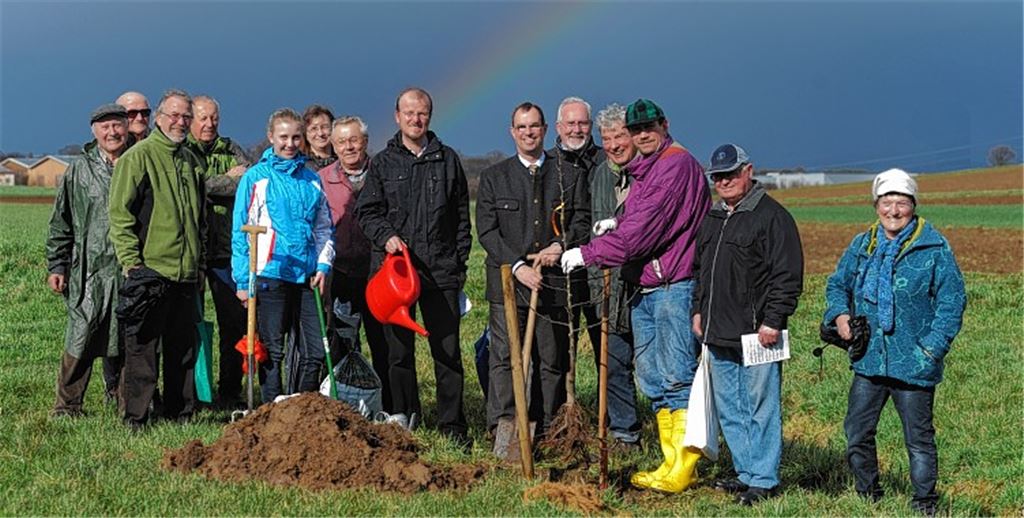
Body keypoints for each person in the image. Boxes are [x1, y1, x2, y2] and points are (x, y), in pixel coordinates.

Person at [561, 98, 711, 493]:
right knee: (653, 379)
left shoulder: (675, 166)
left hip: (672, 286)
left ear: (664, 125)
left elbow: (643, 233)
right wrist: (618, 220)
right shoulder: (648, 167)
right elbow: (637, 217)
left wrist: (588, 253)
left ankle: (685, 466)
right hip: (647, 286)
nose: (642, 135)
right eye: (636, 129)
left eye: (648, 128)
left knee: (676, 376)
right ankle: (670, 461)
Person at [823, 168, 966, 516]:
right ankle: (868, 494)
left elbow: (952, 300)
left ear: (913, 206)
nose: (894, 211)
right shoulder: (863, 245)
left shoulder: (933, 247)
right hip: (869, 359)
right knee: (857, 431)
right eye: (887, 202)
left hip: (914, 361)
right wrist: (840, 316)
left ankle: (924, 503)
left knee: (918, 440)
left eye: (901, 203)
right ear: (876, 206)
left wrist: (931, 349)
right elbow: (837, 285)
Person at [355, 87, 471, 443]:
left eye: (421, 113)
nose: (415, 119)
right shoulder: (382, 163)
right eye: (409, 113)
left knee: (447, 353)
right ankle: (403, 420)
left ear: (430, 116)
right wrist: (387, 236)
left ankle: (452, 428)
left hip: (440, 272)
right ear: (397, 117)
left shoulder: (448, 160)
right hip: (396, 276)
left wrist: (458, 264)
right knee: (398, 354)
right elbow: (367, 212)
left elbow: (462, 218)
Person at [690, 144, 804, 505]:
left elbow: (787, 275)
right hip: (717, 331)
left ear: (748, 171)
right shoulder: (713, 217)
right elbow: (700, 271)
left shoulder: (772, 217)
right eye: (718, 176)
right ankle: (745, 473)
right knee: (730, 407)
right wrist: (698, 311)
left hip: (758, 334)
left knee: (761, 407)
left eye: (731, 174)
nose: (724, 181)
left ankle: (765, 480)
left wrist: (774, 320)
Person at [476, 102, 589, 455]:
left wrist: (560, 244)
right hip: (509, 285)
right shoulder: (495, 177)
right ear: (512, 132)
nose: (528, 133)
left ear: (545, 130)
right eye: (522, 127)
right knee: (505, 358)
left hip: (552, 284)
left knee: (551, 359)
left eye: (534, 126)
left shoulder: (567, 174)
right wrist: (516, 266)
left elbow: (581, 221)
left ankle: (549, 428)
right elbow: (487, 231)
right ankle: (504, 428)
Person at [109, 89, 206, 429]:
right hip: (150, 270)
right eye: (174, 115)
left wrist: (199, 263)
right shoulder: (139, 157)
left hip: (186, 271)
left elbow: (200, 219)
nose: (180, 122)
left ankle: (180, 413)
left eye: (186, 117)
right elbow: (119, 214)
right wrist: (132, 263)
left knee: (183, 349)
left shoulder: (191, 160)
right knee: (143, 349)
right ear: (160, 118)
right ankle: (137, 417)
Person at [231, 108, 334, 404]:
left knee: (315, 349)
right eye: (283, 137)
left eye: (296, 137)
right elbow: (240, 231)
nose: (290, 144)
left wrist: (323, 264)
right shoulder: (255, 178)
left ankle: (301, 406)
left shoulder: (311, 180)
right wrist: (242, 281)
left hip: (306, 275)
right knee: (273, 351)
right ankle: (272, 410)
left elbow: (324, 228)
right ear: (271, 137)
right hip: (269, 273)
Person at [45, 103, 130, 417]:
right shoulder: (79, 169)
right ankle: (67, 406)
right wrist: (57, 265)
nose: (112, 132)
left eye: (117, 125)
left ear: (126, 127)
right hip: (88, 270)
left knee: (126, 339)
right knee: (80, 337)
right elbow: (61, 221)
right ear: (94, 132)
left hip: (128, 268)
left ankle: (127, 404)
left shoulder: (137, 162)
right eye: (105, 127)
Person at [317, 115, 390, 411]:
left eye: (354, 140)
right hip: (340, 273)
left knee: (383, 343)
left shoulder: (382, 173)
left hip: (377, 272)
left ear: (365, 142)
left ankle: (387, 406)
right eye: (341, 142)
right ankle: (341, 405)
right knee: (340, 343)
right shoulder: (322, 179)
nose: (348, 147)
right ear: (333, 146)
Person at [187, 94, 250, 407]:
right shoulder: (183, 151)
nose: (209, 124)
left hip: (228, 251)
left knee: (233, 324)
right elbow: (187, 185)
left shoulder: (232, 148)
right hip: (192, 252)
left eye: (214, 118)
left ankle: (230, 391)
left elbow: (246, 183)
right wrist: (224, 180)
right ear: (191, 119)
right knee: (188, 325)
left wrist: (206, 186)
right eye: (203, 118)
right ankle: (192, 393)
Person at [585, 103, 642, 448]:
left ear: (633, 135)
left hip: (644, 284)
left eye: (619, 136)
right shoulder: (599, 176)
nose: (613, 145)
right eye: (606, 138)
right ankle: (625, 432)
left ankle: (677, 435)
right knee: (614, 363)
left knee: (654, 367)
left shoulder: (649, 173)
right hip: (606, 285)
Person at [301, 104, 336, 171]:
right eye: (314, 128)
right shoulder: (300, 167)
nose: (320, 133)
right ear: (305, 134)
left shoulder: (345, 163)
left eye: (325, 127)